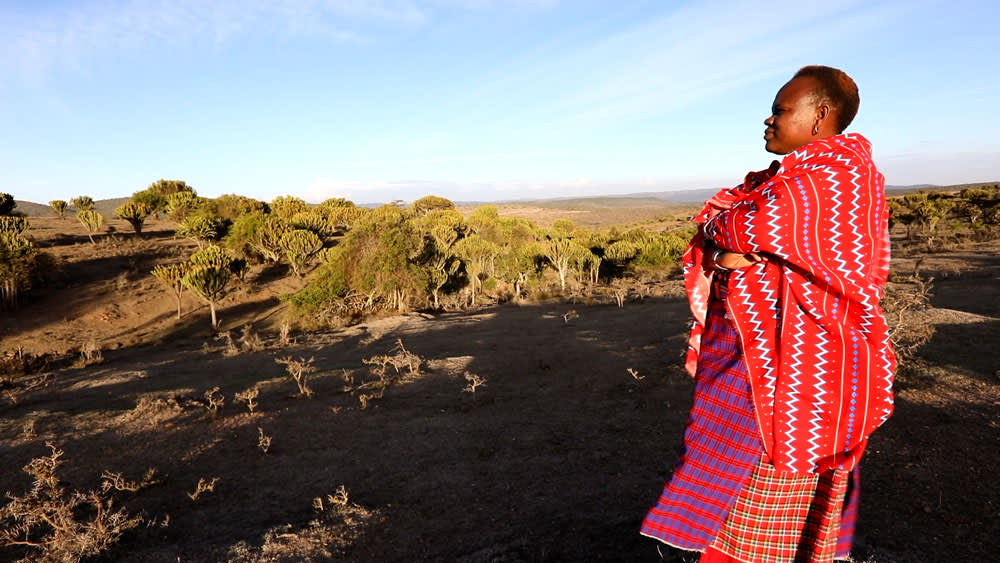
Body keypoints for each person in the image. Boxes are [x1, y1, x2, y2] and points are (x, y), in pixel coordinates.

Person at [640, 65, 896, 563]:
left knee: (773, 480)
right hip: (759, 361)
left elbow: (742, 223)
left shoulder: (836, 175)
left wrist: (727, 232)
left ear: (821, 114)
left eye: (781, 110)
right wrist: (721, 252)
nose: (768, 120)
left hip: (806, 366)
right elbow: (726, 230)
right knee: (734, 479)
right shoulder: (785, 179)